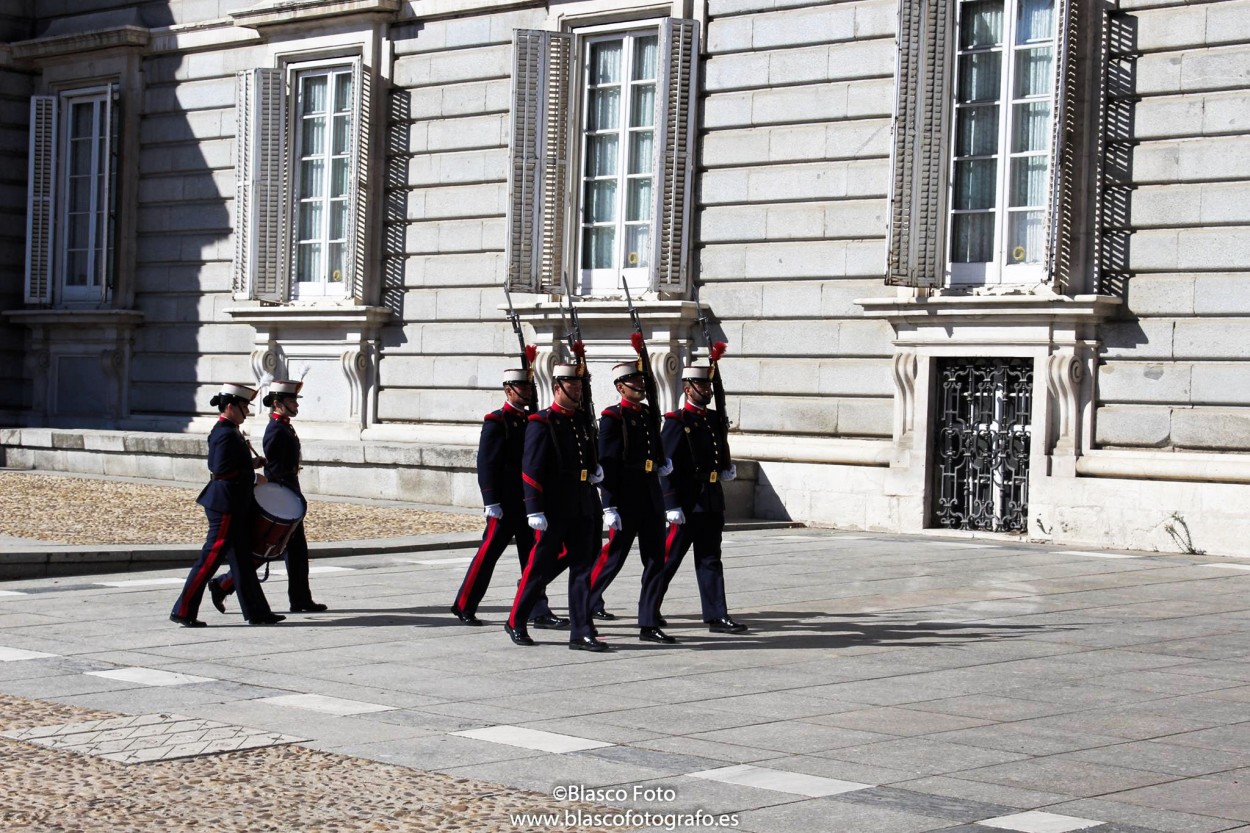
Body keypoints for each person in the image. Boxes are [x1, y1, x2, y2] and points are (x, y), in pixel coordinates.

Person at [451, 368, 566, 629]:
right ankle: (464, 605)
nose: (526, 392)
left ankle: (538, 609)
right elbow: (487, 463)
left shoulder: (533, 420)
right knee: (488, 555)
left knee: (533, 560)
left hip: (529, 503)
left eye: (529, 388)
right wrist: (490, 501)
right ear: (508, 390)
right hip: (505, 504)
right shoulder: (497, 421)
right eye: (521, 388)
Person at [504, 363, 606, 651]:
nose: (578, 391)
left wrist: (595, 471)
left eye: (580, 386)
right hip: (553, 508)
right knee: (538, 569)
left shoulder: (581, 420)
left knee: (583, 569)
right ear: (557, 387)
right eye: (572, 386)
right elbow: (531, 468)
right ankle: (516, 619)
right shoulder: (541, 422)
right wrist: (533, 509)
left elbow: (587, 456)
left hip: (582, 505)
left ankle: (582, 631)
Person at [209, 380, 326, 615]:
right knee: (267, 549)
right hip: (283, 493)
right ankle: (223, 584)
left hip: (289, 489)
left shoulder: (284, 426)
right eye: (291, 401)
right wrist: (282, 494)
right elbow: (274, 468)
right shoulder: (276, 429)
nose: (295, 404)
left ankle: (300, 598)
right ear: (277, 403)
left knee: (294, 550)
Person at [171, 383, 283, 627]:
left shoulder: (231, 431)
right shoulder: (224, 433)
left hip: (235, 502)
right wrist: (253, 477)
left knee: (242, 560)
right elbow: (220, 469)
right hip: (226, 504)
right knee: (210, 558)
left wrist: (252, 464)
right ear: (230, 406)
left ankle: (257, 612)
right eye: (244, 406)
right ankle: (183, 609)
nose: (247, 412)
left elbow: (233, 463)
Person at [647, 361, 748, 634]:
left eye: (708, 385)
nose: (706, 390)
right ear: (687, 388)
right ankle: (650, 609)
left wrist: (725, 468)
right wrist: (671, 504)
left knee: (710, 558)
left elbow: (718, 450)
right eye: (701, 385)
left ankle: (717, 616)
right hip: (685, 502)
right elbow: (665, 467)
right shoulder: (677, 422)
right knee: (669, 559)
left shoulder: (714, 418)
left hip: (710, 500)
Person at [590, 360, 678, 643]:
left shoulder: (648, 414)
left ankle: (649, 622)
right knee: (613, 558)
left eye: (642, 383)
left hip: (650, 496)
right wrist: (609, 504)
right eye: (633, 383)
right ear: (620, 387)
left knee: (656, 560)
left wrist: (662, 465)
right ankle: (585, 602)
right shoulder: (613, 418)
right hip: (626, 498)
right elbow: (608, 464)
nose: (640, 387)